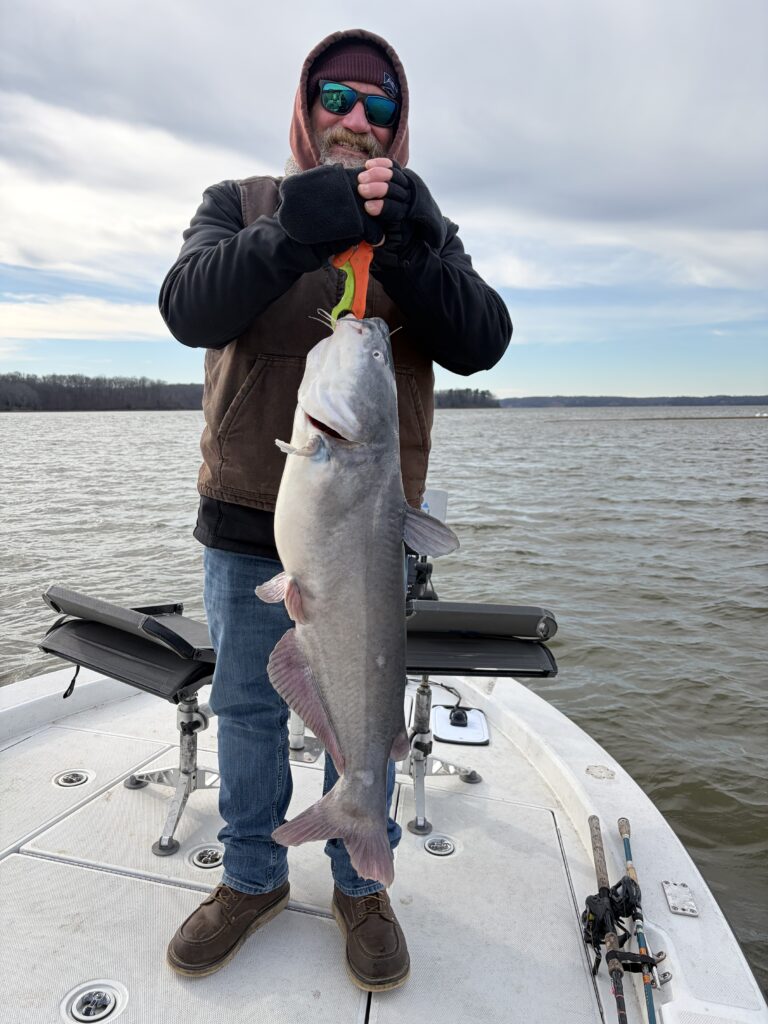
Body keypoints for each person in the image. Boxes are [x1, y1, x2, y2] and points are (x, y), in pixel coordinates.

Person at [158, 28, 511, 991]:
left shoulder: (419, 224)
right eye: (338, 97)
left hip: (369, 524)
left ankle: (362, 876)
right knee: (245, 705)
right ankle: (251, 875)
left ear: (399, 126)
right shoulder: (237, 205)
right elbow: (188, 307)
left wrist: (416, 242)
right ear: (306, 106)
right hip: (247, 514)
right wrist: (292, 231)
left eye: (381, 106)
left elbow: (484, 339)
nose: (357, 120)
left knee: (366, 697)